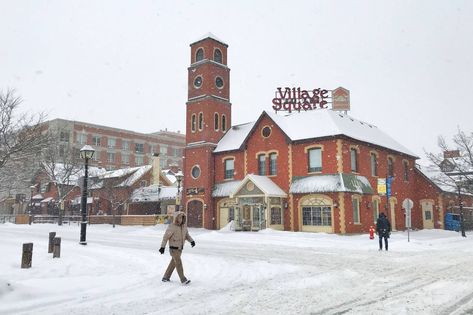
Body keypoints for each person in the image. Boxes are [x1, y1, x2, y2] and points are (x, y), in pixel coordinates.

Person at [159, 211, 195, 285]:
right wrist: (162, 247)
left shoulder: (184, 226)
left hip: (180, 248)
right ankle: (183, 279)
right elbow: (165, 238)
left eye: (182, 217)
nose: (181, 219)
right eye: (179, 217)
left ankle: (165, 277)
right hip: (173, 248)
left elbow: (187, 235)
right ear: (176, 218)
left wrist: (192, 241)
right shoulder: (172, 226)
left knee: (173, 263)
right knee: (178, 263)